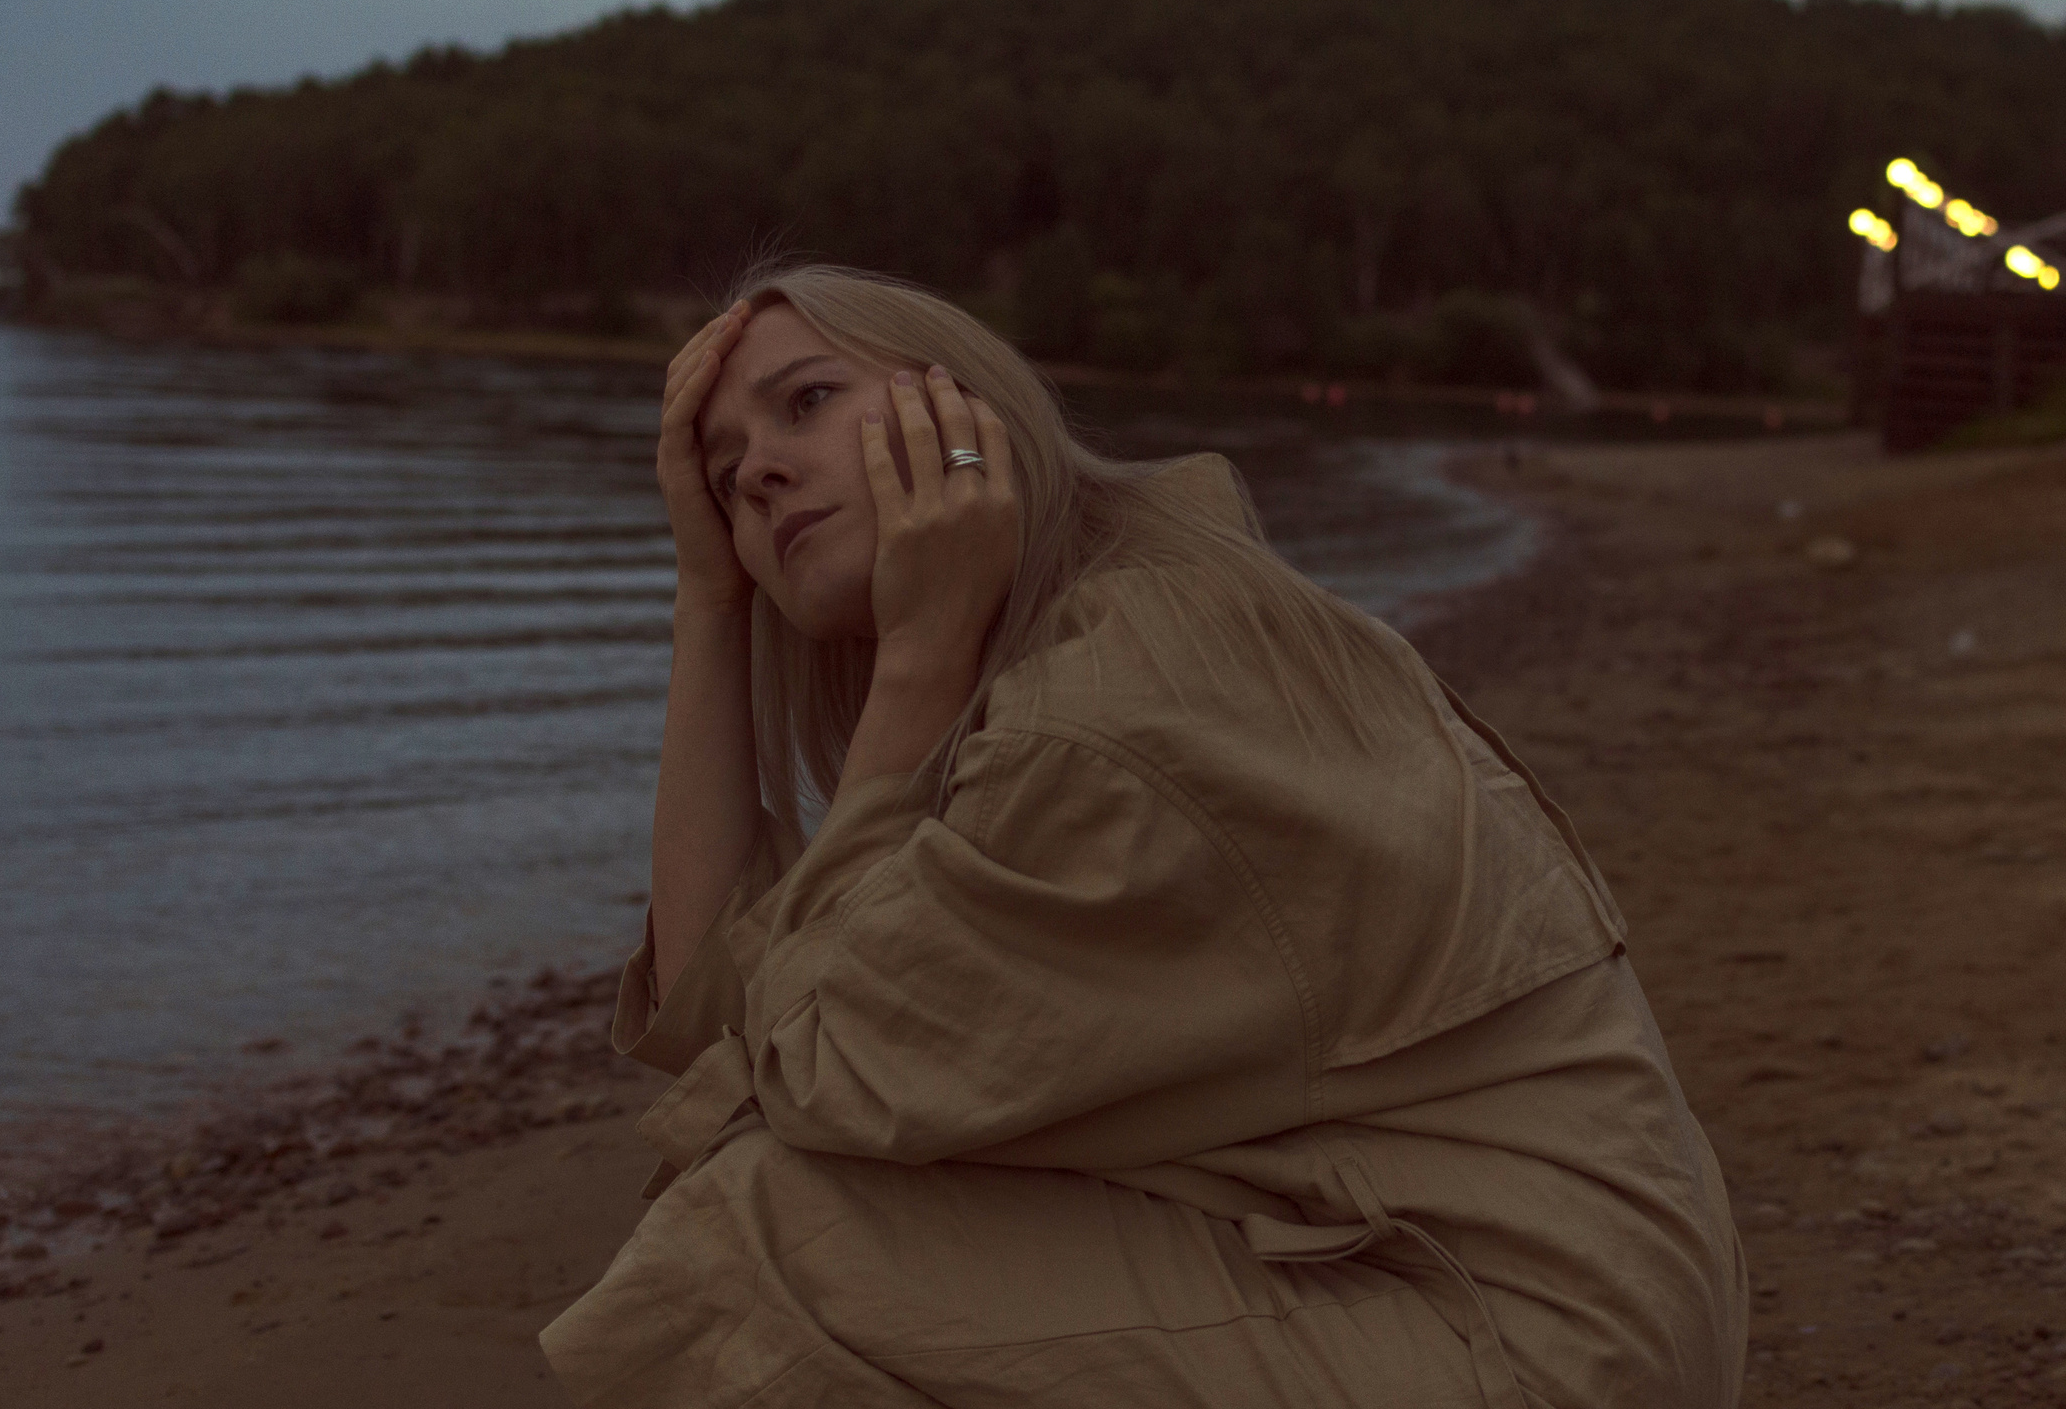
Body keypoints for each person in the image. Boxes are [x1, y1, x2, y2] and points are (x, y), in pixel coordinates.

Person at [540, 264, 1747, 1407]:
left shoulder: (1103, 713)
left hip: (1524, 1340)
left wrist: (912, 658)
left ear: (970, 412)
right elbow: (716, 1003)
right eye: (721, 472)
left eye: (806, 401)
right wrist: (710, 596)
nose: (755, 476)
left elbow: (809, 1065)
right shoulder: (1095, 634)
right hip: (1498, 1279)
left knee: (764, 1232)